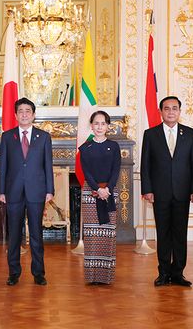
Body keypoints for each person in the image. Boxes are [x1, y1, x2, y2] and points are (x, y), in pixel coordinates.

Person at [140, 96, 193, 287]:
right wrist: (147, 189)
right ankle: (164, 273)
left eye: (175, 108)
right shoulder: (150, 134)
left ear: (179, 111)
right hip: (160, 192)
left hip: (183, 192)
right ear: (161, 112)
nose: (171, 112)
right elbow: (145, 165)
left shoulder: (190, 134)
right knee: (163, 233)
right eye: (167, 108)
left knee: (180, 234)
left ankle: (178, 273)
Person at [0, 97, 54, 286]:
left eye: (27, 111)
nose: (24, 114)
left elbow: (48, 165)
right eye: (20, 111)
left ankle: (38, 272)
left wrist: (50, 189)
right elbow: (3, 165)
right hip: (12, 192)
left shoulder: (44, 137)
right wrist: (1, 190)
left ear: (33, 114)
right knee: (14, 234)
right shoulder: (7, 136)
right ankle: (14, 272)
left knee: (36, 233)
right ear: (15, 115)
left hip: (37, 191)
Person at [79, 111, 120, 284]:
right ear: (91, 125)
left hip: (110, 192)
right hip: (90, 192)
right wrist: (97, 189)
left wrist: (107, 189)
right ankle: (92, 276)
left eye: (103, 123)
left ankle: (105, 276)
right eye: (96, 123)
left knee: (107, 233)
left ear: (108, 126)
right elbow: (86, 172)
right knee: (91, 233)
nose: (100, 127)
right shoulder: (85, 147)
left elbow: (116, 169)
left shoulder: (114, 146)